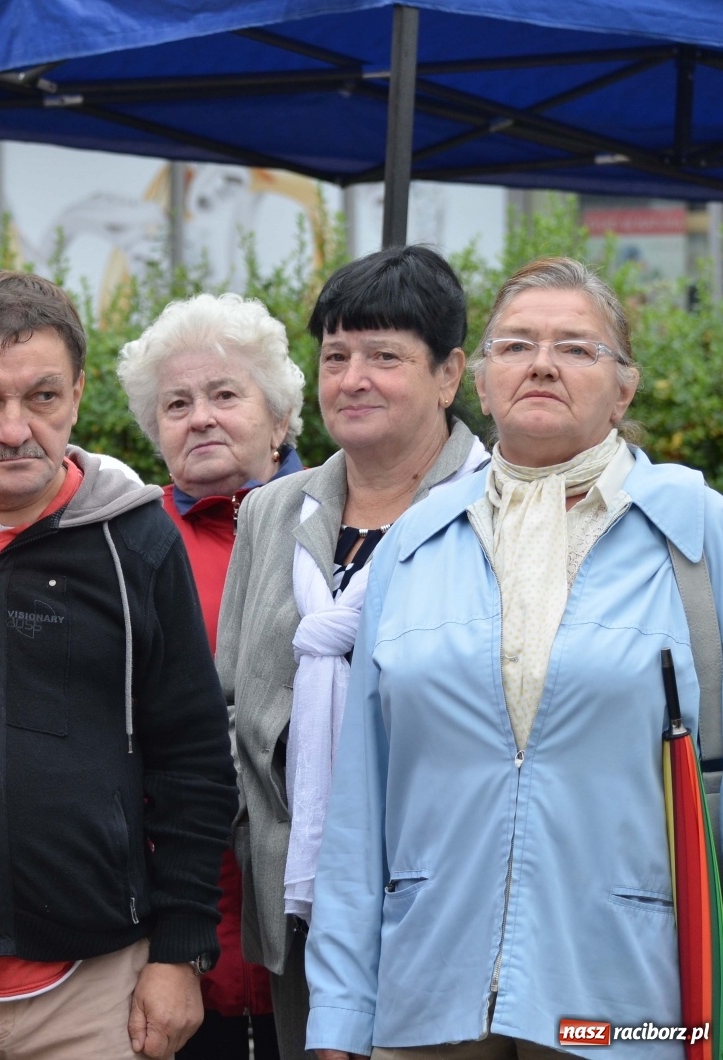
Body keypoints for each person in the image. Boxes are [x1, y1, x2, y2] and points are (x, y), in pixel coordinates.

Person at [305, 256, 713, 1059]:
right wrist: (339, 1019)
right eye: (517, 345)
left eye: (578, 348)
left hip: (627, 997)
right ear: (480, 381)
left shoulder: (697, 537)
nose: (544, 364)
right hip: (429, 990)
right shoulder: (414, 545)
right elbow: (361, 802)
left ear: (625, 389)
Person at [0, 271, 237, 1060]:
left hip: (94, 991)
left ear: (79, 394)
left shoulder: (137, 539)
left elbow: (195, 760)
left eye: (43, 398)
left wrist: (180, 951)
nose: (15, 429)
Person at [217, 245, 487, 1060]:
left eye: (384, 356)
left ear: (448, 375)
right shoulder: (271, 513)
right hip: (296, 902)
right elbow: (230, 698)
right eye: (336, 356)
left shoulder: (493, 509)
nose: (353, 378)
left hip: (445, 902)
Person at [117, 292, 306, 1060]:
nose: (201, 418)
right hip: (173, 944)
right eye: (177, 403)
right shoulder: (128, 543)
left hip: (309, 943)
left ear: (281, 419)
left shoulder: (335, 532)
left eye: (226, 395)